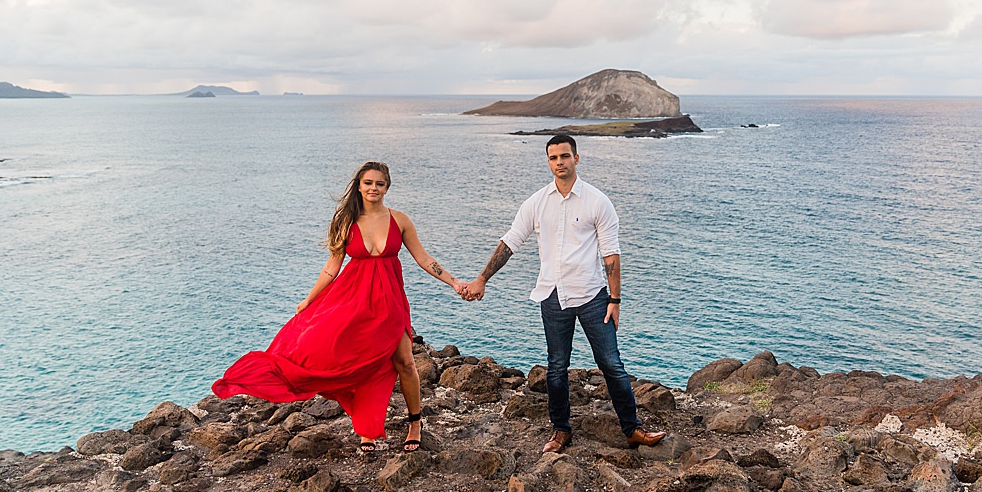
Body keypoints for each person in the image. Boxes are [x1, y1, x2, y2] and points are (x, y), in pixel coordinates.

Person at [214, 161, 464, 453]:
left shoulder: (400, 221)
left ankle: (415, 423)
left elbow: (423, 259)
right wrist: (309, 299)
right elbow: (332, 268)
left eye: (379, 184)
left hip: (390, 303)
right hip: (353, 303)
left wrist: (455, 283)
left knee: (406, 363)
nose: (373, 188)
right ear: (359, 185)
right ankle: (366, 428)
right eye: (368, 183)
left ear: (387, 187)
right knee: (352, 363)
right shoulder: (345, 221)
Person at [462, 134, 667, 454]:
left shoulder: (598, 201)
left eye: (564, 156)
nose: (559, 162)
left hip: (592, 296)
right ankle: (561, 431)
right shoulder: (536, 202)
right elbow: (510, 242)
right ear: (548, 161)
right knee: (556, 367)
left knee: (611, 364)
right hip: (553, 296)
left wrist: (615, 300)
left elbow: (610, 256)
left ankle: (632, 429)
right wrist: (482, 278)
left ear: (576, 158)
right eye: (553, 157)